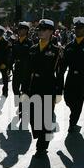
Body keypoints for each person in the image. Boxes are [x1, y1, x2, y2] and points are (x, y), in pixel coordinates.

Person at [21, 19, 63, 158]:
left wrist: (59, 92)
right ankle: (43, 134)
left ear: (51, 32)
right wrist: (24, 90)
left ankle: (42, 147)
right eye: (39, 29)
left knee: (45, 118)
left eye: (44, 29)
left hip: (48, 88)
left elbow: (60, 73)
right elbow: (26, 71)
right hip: (34, 87)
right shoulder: (32, 49)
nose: (40, 32)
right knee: (33, 117)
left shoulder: (57, 51)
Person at [59, 16, 84, 133]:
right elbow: (64, 63)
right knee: (67, 99)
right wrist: (60, 75)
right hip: (70, 76)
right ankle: (73, 113)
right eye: (76, 28)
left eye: (80, 28)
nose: (77, 30)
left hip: (82, 77)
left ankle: (73, 123)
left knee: (78, 102)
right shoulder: (69, 46)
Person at [11, 22, 33, 117]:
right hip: (17, 69)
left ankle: (23, 106)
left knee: (25, 90)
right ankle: (21, 104)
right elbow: (12, 56)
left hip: (26, 70)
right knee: (15, 88)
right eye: (19, 29)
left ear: (26, 31)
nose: (20, 31)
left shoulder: (30, 43)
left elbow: (32, 58)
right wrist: (9, 66)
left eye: (22, 29)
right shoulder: (15, 42)